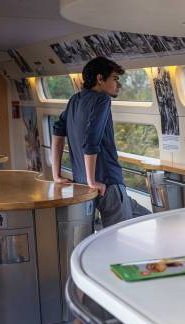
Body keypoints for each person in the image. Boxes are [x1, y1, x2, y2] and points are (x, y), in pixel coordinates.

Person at [51, 57, 150, 227]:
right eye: (115, 79)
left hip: (82, 184)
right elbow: (92, 139)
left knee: (147, 217)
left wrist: (56, 175)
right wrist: (92, 180)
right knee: (119, 238)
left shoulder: (75, 100)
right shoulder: (102, 100)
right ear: (99, 79)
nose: (118, 85)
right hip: (107, 183)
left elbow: (57, 132)